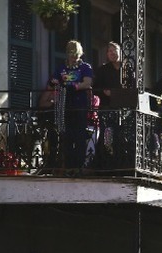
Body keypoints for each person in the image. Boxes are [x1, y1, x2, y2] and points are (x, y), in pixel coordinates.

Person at [50, 40, 94, 171]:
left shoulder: (85, 67)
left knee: (79, 136)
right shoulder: (61, 68)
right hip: (65, 105)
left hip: (79, 105)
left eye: (76, 53)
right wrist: (55, 82)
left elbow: (87, 83)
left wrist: (74, 86)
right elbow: (53, 80)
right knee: (67, 136)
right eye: (71, 53)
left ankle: (79, 166)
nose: (74, 56)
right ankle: (68, 166)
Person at [94, 42, 125, 108]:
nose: (112, 53)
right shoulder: (103, 70)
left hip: (124, 105)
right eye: (110, 51)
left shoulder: (127, 68)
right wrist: (105, 92)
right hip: (107, 105)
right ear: (107, 54)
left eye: (115, 50)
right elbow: (96, 88)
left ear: (120, 52)